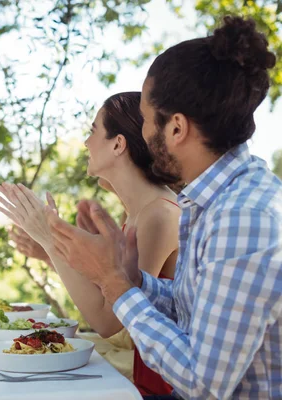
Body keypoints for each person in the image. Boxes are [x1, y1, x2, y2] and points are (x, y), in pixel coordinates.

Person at [46, 16, 281, 399]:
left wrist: (115, 284)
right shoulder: (213, 201)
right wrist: (132, 279)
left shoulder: (244, 217)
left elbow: (203, 382)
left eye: (144, 118)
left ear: (175, 128)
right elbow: (193, 307)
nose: (141, 132)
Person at [0, 92, 181, 395]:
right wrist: (53, 249)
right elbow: (104, 292)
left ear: (118, 144)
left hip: (152, 387)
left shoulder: (158, 216)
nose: (85, 142)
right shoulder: (137, 214)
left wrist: (49, 237)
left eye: (93, 131)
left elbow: (111, 323)